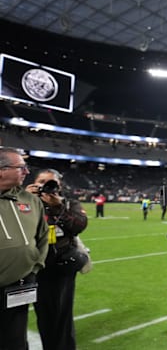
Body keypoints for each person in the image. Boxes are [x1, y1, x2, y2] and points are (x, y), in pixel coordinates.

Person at [27, 169, 88, 350]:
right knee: (36, 315)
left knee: (61, 316)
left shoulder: (68, 204)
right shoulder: (24, 202)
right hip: (28, 267)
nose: (46, 185)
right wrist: (25, 198)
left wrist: (58, 207)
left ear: (59, 186)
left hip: (59, 267)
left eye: (51, 182)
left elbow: (79, 225)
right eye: (42, 181)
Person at [0, 147, 49, 350]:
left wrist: (35, 267)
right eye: (21, 167)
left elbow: (44, 236)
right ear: (1, 170)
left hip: (20, 284)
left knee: (16, 340)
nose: (27, 172)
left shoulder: (30, 200)